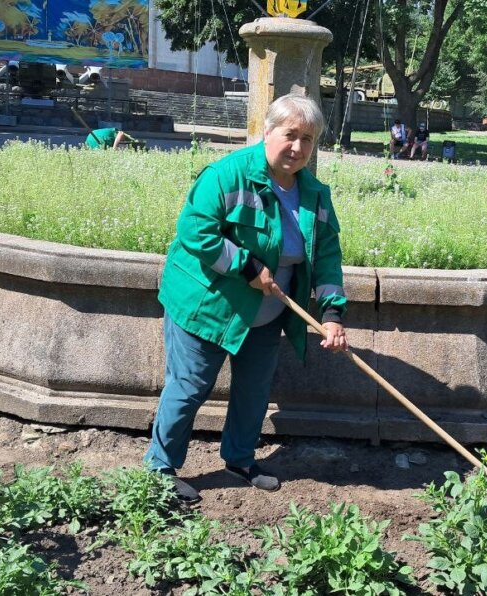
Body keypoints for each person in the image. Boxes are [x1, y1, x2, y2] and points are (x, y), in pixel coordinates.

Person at [143, 94, 349, 503]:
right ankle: (159, 469)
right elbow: (195, 233)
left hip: (267, 312)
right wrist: (247, 267)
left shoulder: (314, 194)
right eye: (290, 135)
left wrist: (331, 313)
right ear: (267, 132)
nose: (298, 147)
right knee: (189, 387)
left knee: (254, 389)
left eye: (308, 139)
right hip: (207, 304)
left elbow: (326, 256)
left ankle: (239, 459)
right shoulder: (226, 175)